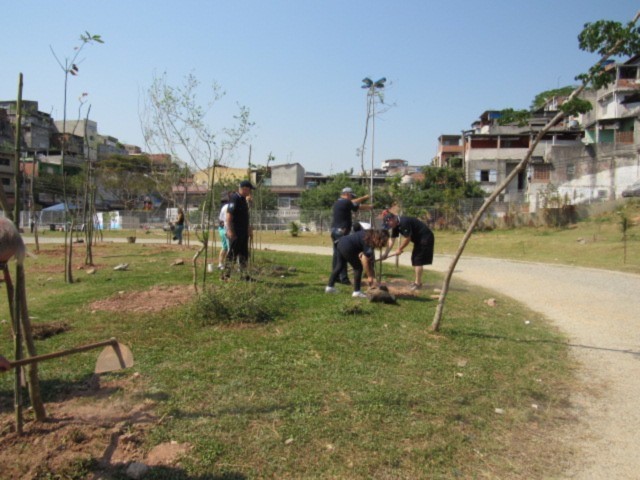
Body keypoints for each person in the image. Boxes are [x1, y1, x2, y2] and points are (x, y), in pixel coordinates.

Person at [326, 229, 389, 298]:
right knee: (358, 268)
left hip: (341, 242)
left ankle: (329, 287)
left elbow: (359, 243)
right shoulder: (370, 242)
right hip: (348, 246)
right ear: (379, 238)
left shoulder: (369, 233)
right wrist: (370, 276)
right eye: (384, 241)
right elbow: (365, 261)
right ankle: (357, 292)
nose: (383, 243)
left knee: (339, 265)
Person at [380, 210, 435, 291]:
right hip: (419, 239)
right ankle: (417, 282)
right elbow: (392, 240)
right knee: (415, 259)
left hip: (425, 237)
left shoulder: (403, 222)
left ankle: (418, 284)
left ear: (392, 219)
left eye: (389, 224)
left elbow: (407, 239)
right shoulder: (395, 225)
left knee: (418, 260)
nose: (389, 226)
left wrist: (399, 249)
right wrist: (386, 253)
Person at [330, 187, 372, 285]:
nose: (351, 198)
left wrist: (367, 204)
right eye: (351, 196)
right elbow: (355, 205)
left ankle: (336, 277)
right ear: (347, 194)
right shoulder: (345, 202)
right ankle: (344, 278)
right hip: (341, 231)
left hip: (335, 231)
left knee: (337, 255)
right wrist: (366, 199)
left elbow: (355, 205)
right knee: (343, 254)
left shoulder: (339, 202)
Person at [225, 180, 255, 275]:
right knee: (233, 253)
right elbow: (229, 216)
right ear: (244, 189)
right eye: (249, 189)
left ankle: (244, 275)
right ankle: (226, 274)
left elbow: (245, 216)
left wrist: (248, 228)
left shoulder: (243, 199)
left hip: (243, 232)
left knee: (244, 254)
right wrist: (230, 230)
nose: (250, 192)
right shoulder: (235, 198)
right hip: (236, 232)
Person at [217, 198, 229, 270]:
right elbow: (222, 221)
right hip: (224, 229)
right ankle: (224, 264)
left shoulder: (223, 207)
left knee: (225, 247)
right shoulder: (226, 207)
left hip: (222, 229)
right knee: (227, 248)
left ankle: (221, 264)